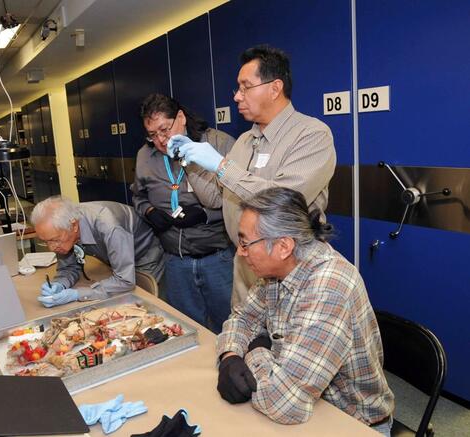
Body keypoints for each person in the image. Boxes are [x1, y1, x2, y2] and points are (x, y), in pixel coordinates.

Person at [168, 44, 336, 314]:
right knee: (242, 340)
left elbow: (282, 200)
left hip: (290, 268)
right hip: (246, 267)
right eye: (237, 88)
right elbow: (215, 198)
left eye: (245, 87)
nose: (237, 96)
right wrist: (189, 160)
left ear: (274, 87)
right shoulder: (245, 141)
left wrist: (221, 166)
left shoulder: (312, 135)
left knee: (284, 348)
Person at [215, 187, 394, 435]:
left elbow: (283, 404)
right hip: (307, 404)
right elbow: (242, 318)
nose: (240, 251)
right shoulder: (278, 269)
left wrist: (256, 349)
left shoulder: (328, 286)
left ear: (283, 246)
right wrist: (230, 356)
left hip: (351, 423)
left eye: (245, 242)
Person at [131, 93, 236, 333]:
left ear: (180, 118)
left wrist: (205, 215)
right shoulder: (145, 156)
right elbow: (138, 195)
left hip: (218, 258)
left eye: (164, 130)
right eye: (152, 134)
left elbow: (239, 200)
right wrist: (148, 211)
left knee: (230, 328)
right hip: (175, 262)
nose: (160, 140)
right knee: (187, 331)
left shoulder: (219, 144)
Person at [31, 196, 165, 306]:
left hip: (144, 255)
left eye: (54, 240)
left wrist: (78, 294)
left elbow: (125, 281)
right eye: (46, 241)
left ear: (74, 226)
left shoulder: (109, 226)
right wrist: (60, 284)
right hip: (115, 257)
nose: (51, 247)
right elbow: (69, 267)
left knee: (140, 306)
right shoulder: (62, 230)